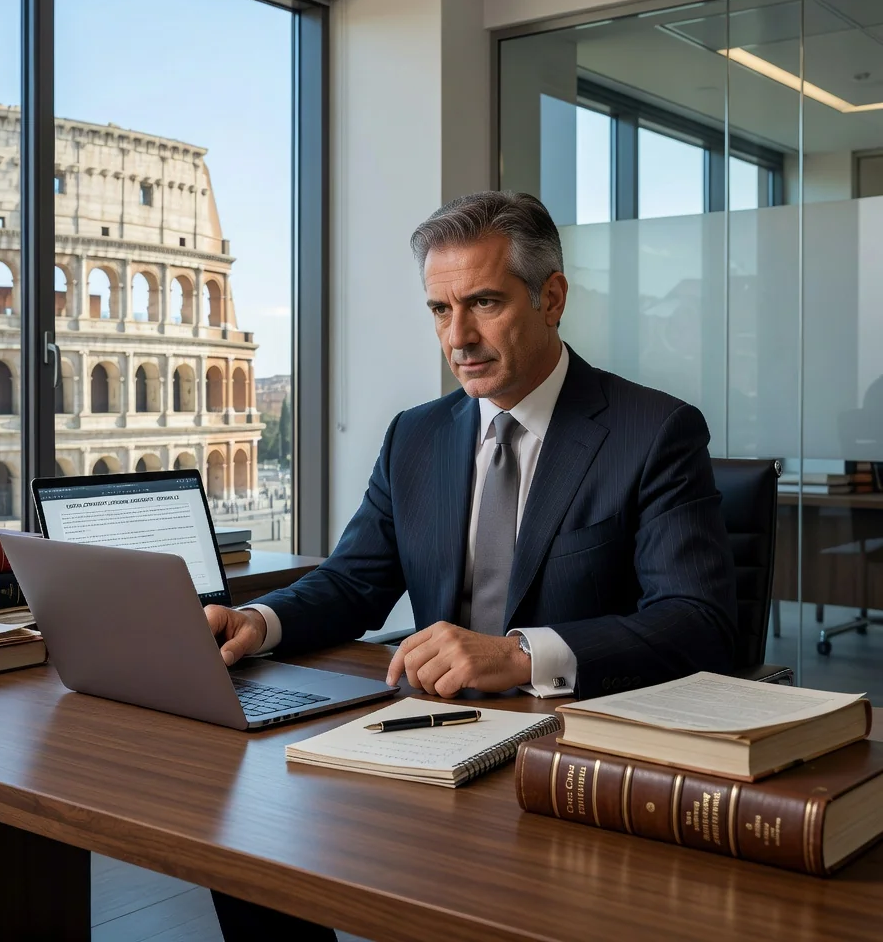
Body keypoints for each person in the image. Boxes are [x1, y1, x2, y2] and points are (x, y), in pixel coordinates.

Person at [204, 191, 737, 941]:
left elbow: (700, 623)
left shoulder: (653, 433)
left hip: (574, 753)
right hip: (429, 733)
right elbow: (356, 580)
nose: (458, 337)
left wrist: (519, 654)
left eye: (483, 303)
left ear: (551, 298)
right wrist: (258, 624)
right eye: (439, 310)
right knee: (245, 848)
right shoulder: (416, 436)